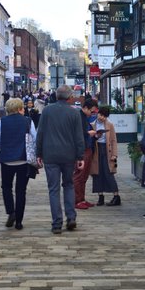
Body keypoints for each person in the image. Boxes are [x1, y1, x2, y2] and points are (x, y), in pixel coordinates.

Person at [35, 84, 85, 234]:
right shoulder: (74, 113)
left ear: (56, 96)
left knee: (53, 189)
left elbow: (40, 133)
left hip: (50, 155)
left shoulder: (47, 111)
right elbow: (79, 137)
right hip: (68, 155)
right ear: (69, 97)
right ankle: (71, 217)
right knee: (69, 185)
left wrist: (39, 153)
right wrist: (80, 156)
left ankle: (57, 223)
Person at [0, 97, 37, 230]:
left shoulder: (3, 122)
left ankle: (11, 212)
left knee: (6, 187)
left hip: (7, 161)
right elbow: (35, 139)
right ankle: (19, 221)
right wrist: (38, 157)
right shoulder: (28, 121)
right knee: (21, 191)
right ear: (20, 108)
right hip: (23, 160)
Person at [91, 105, 121, 206]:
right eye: (101, 115)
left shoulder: (110, 125)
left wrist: (114, 154)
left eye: (104, 116)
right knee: (97, 173)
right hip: (96, 150)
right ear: (97, 113)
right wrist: (95, 136)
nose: (102, 117)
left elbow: (113, 140)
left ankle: (116, 196)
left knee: (109, 173)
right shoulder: (92, 124)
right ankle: (100, 197)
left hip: (106, 150)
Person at [73, 97, 98, 210]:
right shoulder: (79, 117)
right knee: (79, 175)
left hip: (87, 148)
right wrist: (89, 133)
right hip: (81, 149)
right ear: (85, 108)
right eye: (91, 111)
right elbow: (76, 133)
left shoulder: (85, 117)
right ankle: (77, 200)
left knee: (84, 176)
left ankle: (82, 199)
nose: (92, 113)